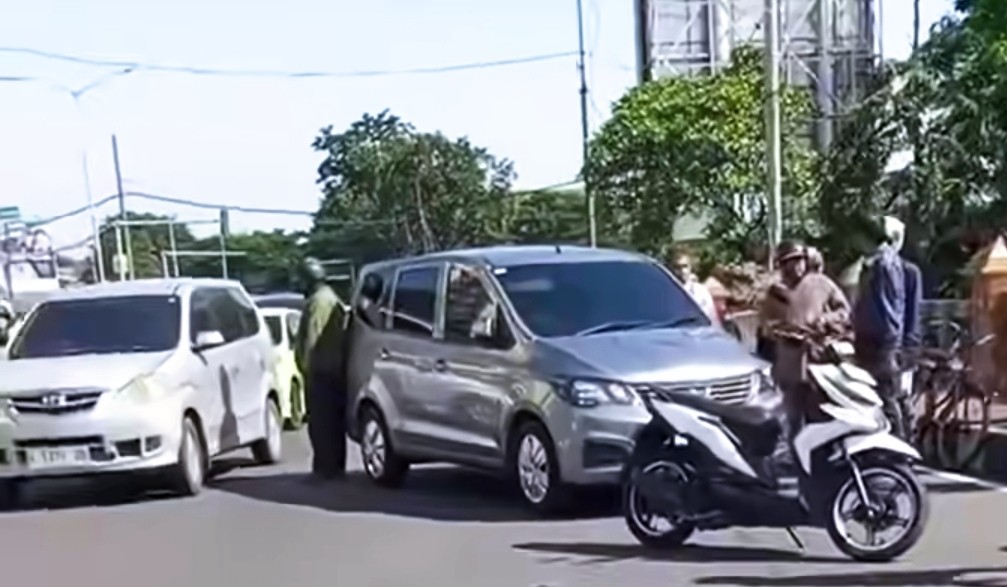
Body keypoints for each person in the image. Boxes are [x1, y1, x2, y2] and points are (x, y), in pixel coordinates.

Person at [759, 241, 850, 440]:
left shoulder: (821, 283)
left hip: (818, 360)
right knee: (794, 419)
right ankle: (797, 458)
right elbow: (766, 325)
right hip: (789, 363)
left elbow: (844, 311)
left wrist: (825, 320)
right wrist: (778, 330)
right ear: (781, 266)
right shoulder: (775, 293)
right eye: (788, 262)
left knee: (822, 414)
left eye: (799, 260)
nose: (795, 266)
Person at [853, 215, 909, 438]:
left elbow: (887, 308)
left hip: (879, 342)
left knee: (885, 396)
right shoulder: (879, 262)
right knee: (878, 396)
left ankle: (899, 445)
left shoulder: (884, 264)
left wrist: (886, 342)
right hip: (875, 340)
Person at [294, 257, 348, 480]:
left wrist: (306, 368)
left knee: (321, 423)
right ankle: (335, 466)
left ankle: (325, 469)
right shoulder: (330, 298)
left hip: (321, 371)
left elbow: (312, 339)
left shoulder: (318, 301)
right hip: (333, 369)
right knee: (334, 422)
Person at [900, 257, 923, 432]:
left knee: (902, 393)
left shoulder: (909, 272)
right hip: (894, 341)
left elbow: (913, 312)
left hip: (904, 343)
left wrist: (910, 343)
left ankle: (908, 432)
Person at [670, 251, 719, 325]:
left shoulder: (700, 291)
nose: (682, 271)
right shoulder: (669, 292)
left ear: (690, 267)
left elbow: (712, 317)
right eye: (677, 267)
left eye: (685, 266)